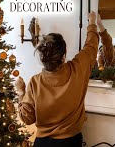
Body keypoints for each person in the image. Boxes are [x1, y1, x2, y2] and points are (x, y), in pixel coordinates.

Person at [16, 11, 99, 147]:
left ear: (43, 58)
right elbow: (91, 45)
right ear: (63, 54)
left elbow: (27, 118)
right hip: (71, 142)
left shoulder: (35, 82)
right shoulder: (78, 68)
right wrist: (92, 21)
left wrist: (20, 92)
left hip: (43, 144)